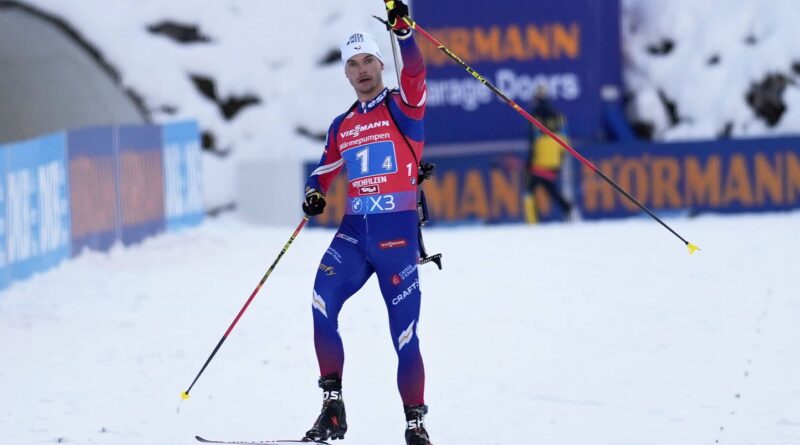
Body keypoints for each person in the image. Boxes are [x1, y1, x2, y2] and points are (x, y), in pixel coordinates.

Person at [300, 2, 433, 444]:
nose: (361, 70)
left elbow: (414, 71)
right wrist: (315, 190)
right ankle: (332, 409)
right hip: (355, 233)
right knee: (321, 302)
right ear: (346, 72)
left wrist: (403, 33)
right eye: (353, 64)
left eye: (369, 61)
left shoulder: (403, 107)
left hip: (395, 235)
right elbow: (324, 168)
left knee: (405, 335)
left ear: (380, 64)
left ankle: (415, 425)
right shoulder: (343, 125)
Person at [524, 85, 574, 223]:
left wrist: (529, 162)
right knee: (549, 185)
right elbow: (565, 138)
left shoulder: (534, 114)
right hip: (555, 154)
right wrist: (561, 159)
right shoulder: (558, 114)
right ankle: (568, 209)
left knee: (529, 189)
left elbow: (533, 138)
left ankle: (532, 222)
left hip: (541, 154)